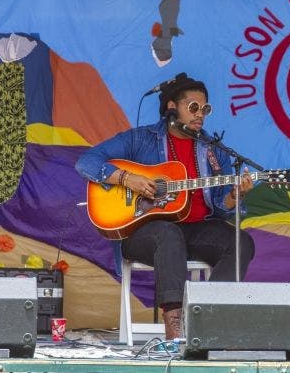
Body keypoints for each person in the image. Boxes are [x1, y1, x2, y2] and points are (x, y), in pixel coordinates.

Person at [75, 73, 256, 340]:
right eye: (193, 107)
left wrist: (234, 196)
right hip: (143, 232)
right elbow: (86, 162)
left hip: (196, 230)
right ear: (172, 108)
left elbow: (219, 206)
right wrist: (128, 179)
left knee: (242, 242)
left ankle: (206, 316)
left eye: (205, 109)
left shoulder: (213, 150)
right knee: (168, 234)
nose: (200, 115)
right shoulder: (141, 139)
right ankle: (176, 326)